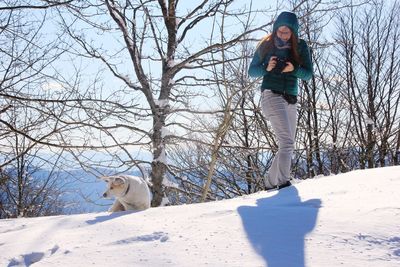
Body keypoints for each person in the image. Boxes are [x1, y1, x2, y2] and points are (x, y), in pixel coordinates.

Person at [248, 11, 313, 190]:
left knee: (287, 144)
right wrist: (266, 67)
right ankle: (284, 184)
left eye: (286, 32)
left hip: (291, 99)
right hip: (271, 95)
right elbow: (252, 71)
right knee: (287, 143)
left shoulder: (300, 46)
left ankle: (269, 184)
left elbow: (308, 74)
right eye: (279, 31)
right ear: (275, 29)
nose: (282, 35)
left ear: (293, 32)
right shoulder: (266, 45)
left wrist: (294, 68)